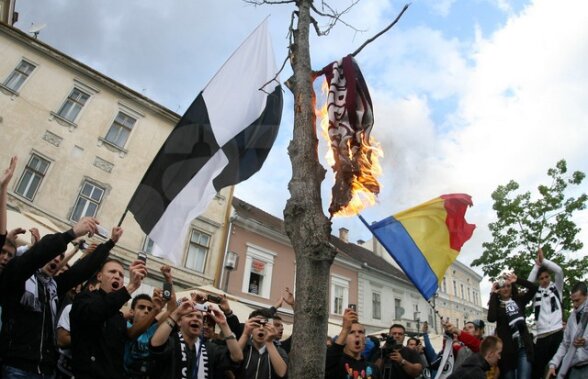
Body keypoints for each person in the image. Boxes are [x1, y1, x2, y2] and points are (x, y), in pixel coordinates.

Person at [0, 218, 113, 379]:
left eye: (61, 257)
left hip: (46, 370)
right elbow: (33, 258)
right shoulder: (19, 277)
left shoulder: (52, 287)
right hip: (17, 367)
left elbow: (80, 272)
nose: (57, 259)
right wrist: (71, 234)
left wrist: (109, 244)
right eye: (54, 255)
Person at [70, 254, 146, 379]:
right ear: (99, 276)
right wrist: (131, 287)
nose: (117, 276)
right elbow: (95, 312)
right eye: (112, 272)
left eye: (121, 275)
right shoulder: (85, 299)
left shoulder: (118, 316)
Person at [149, 298, 243, 378]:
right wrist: (176, 313)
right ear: (179, 322)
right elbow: (155, 344)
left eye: (199, 317)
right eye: (190, 315)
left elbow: (237, 357)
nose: (195, 319)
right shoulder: (171, 342)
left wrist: (224, 324)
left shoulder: (211, 348)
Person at [487, 272, 537, 379]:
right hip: (507, 353)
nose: (505, 289)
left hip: (523, 347)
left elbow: (533, 288)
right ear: (499, 289)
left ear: (512, 287)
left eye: (508, 286)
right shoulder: (497, 306)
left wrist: (518, 280)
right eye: (502, 286)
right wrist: (493, 294)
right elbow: (491, 318)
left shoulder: (519, 301)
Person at [527, 248, 564, 379]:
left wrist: (544, 261)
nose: (544, 280)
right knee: (538, 369)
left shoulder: (557, 289)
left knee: (558, 367)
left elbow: (559, 271)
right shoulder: (535, 293)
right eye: (541, 278)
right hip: (542, 335)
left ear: (550, 277)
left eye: (547, 276)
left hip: (557, 332)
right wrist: (536, 266)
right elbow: (529, 283)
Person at [546, 282, 588, 379]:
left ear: (586, 296)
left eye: (577, 300)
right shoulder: (571, 318)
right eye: (573, 301)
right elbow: (565, 344)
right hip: (574, 367)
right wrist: (553, 364)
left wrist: (585, 341)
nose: (575, 305)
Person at [325, 307, 381, 379]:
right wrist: (345, 329)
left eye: (360, 332)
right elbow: (328, 362)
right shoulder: (336, 364)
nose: (357, 335)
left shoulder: (374, 369)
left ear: (365, 339)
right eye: (351, 332)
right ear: (344, 338)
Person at [238, 309, 288, 379]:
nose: (261, 328)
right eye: (257, 325)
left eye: (265, 325)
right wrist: (245, 334)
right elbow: (232, 360)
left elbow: (282, 373)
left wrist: (269, 342)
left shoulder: (279, 351)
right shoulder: (244, 347)